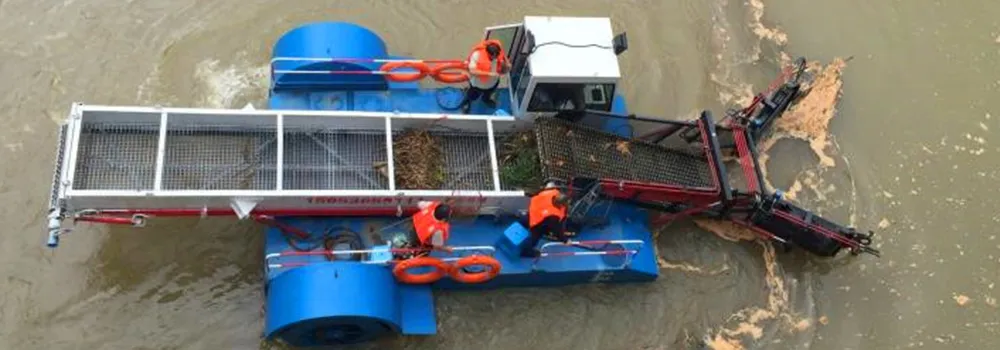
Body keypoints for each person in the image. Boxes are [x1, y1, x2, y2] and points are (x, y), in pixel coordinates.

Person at [458, 39, 511, 114]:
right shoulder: (477, 55)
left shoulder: (500, 56)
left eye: (496, 56)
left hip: (493, 83)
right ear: (487, 52)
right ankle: (467, 102)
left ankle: (486, 99)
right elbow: (472, 71)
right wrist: (489, 74)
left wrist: (507, 66)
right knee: (472, 96)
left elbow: (504, 71)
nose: (494, 58)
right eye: (492, 56)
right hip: (477, 85)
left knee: (488, 95)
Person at [521, 184, 575, 258]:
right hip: (537, 219)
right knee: (535, 235)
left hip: (534, 209)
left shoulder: (553, 192)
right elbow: (556, 229)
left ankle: (523, 224)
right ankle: (526, 251)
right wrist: (565, 240)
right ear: (562, 205)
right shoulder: (553, 215)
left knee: (525, 220)